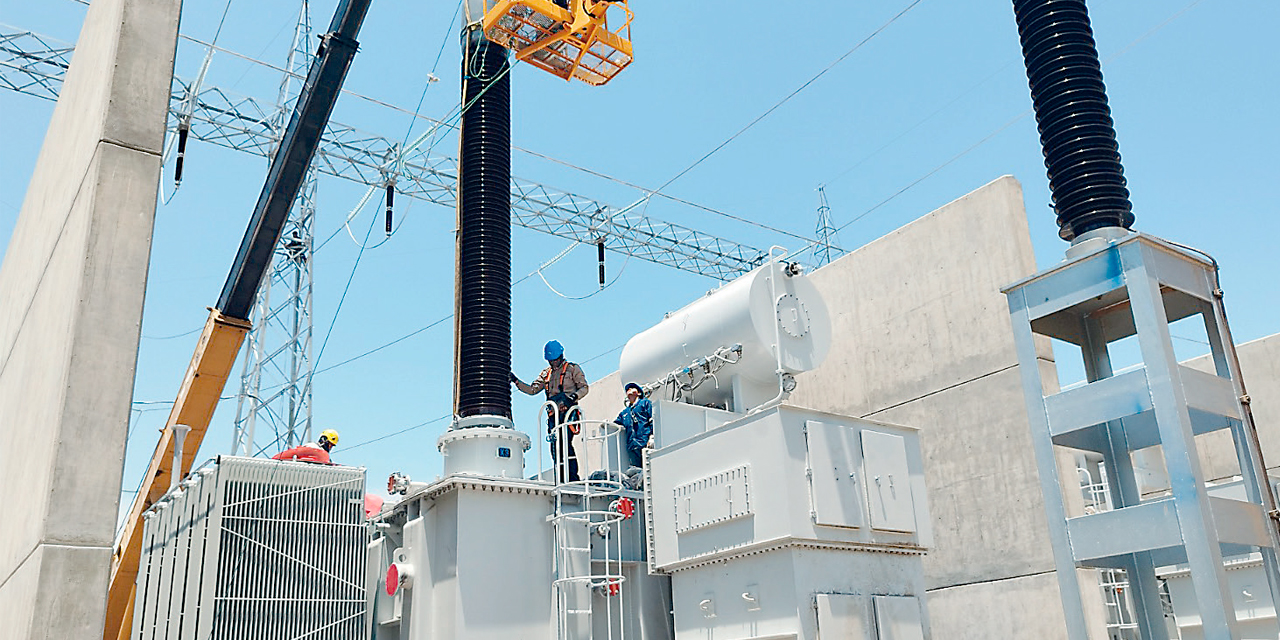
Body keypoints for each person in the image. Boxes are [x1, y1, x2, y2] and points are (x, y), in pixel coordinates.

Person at [512, 340, 589, 482]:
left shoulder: (572, 369)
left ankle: (572, 478)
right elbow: (532, 389)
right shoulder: (546, 374)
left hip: (568, 413)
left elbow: (584, 388)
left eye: (555, 360)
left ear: (561, 355)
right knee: (555, 447)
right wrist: (516, 381)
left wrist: (573, 397)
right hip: (554, 415)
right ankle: (560, 477)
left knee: (565, 444)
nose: (553, 363)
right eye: (551, 361)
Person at [613, 382, 652, 469]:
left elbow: (651, 419)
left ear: (638, 393)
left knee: (648, 467)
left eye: (632, 388)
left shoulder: (645, 403)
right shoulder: (625, 413)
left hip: (644, 442)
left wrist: (651, 437)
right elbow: (615, 424)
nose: (629, 389)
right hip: (632, 446)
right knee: (637, 470)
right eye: (627, 389)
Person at [272, 429, 340, 465]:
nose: (330, 447)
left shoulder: (325, 457)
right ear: (324, 440)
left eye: (332, 446)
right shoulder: (312, 448)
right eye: (330, 444)